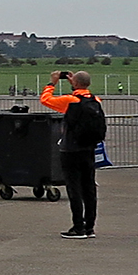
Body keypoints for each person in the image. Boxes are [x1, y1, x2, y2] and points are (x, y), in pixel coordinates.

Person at [41, 70, 103, 239]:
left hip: (71, 149)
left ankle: (78, 227)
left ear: (74, 83)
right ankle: (89, 226)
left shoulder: (71, 101)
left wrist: (52, 83)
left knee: (74, 187)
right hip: (88, 149)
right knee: (89, 187)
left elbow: (46, 100)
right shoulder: (95, 100)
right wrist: (75, 82)